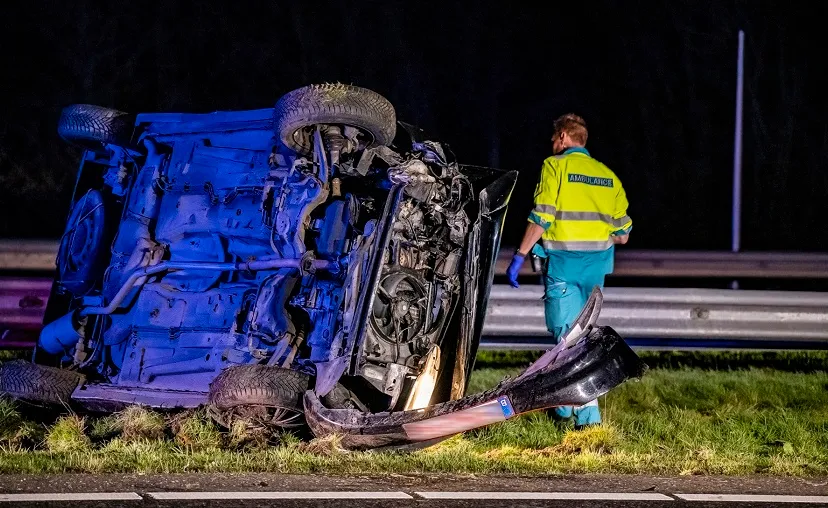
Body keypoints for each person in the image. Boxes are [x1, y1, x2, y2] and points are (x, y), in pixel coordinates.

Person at [506, 113, 632, 429]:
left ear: (563, 137)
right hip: (596, 270)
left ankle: (586, 416)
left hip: (563, 266)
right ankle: (562, 408)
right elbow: (623, 234)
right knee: (579, 338)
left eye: (553, 139)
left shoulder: (555, 167)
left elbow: (542, 217)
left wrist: (520, 255)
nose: (552, 144)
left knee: (567, 340)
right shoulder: (608, 176)